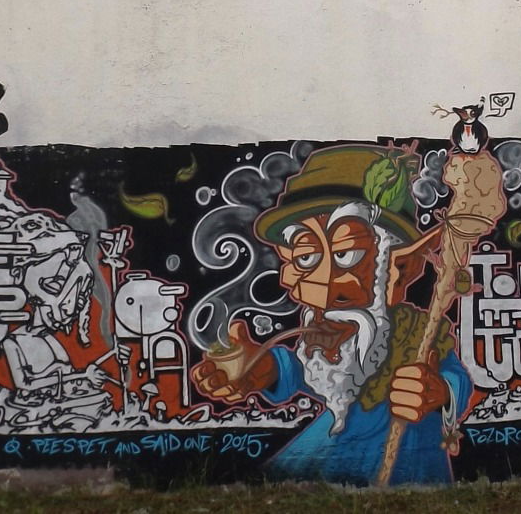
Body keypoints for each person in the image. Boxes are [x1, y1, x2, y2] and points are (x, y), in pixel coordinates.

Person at [188, 145, 471, 485]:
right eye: (306, 257)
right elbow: (308, 368)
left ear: (402, 266)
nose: (324, 288)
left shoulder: (419, 335)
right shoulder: (327, 330)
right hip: (329, 452)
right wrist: (264, 368)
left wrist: (439, 392)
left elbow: (456, 379)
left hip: (410, 465)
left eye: (347, 254)